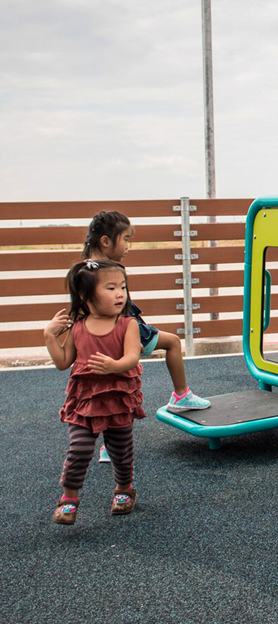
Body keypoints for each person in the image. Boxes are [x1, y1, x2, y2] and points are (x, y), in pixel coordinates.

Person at [43, 259, 146, 524]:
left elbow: (133, 356)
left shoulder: (127, 324)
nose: (120, 294)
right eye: (110, 288)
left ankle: (124, 488)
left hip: (117, 398)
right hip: (84, 400)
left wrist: (115, 365)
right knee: (79, 448)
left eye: (122, 287)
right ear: (84, 295)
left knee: (120, 450)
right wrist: (49, 337)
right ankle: (69, 498)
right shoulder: (78, 327)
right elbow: (63, 362)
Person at [82, 211, 210, 416]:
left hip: (114, 330)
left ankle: (110, 445)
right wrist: (127, 339)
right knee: (173, 343)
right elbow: (113, 310)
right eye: (125, 239)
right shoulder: (107, 270)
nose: (128, 246)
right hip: (123, 328)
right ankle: (181, 395)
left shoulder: (86, 268)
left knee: (112, 393)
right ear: (106, 241)